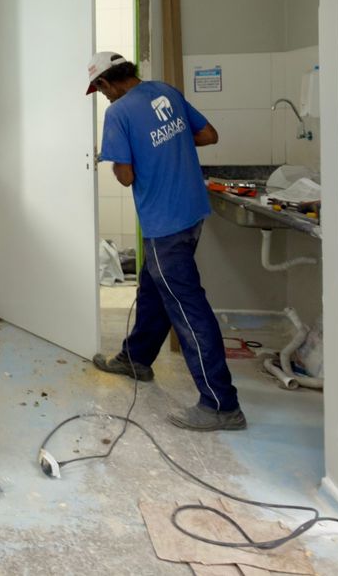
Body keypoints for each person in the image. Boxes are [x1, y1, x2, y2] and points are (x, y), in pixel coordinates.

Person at [87, 51, 246, 432]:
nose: (104, 97)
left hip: (164, 222)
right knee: (154, 289)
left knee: (188, 309)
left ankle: (221, 404)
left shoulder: (118, 113)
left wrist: (129, 155)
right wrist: (164, 146)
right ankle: (136, 358)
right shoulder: (166, 92)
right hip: (192, 212)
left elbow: (125, 176)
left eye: (101, 91)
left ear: (106, 82)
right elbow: (207, 135)